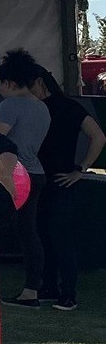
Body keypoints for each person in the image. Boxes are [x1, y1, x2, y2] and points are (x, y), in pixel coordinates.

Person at [31, 63, 105, 312]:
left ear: (40, 83)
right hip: (40, 178)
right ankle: (49, 287)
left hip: (61, 178)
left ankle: (68, 293)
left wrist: (81, 169)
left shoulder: (67, 107)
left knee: (60, 237)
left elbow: (99, 136)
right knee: (44, 235)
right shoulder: (36, 107)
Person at [0, 49, 50, 306]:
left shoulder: (10, 104)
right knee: (28, 233)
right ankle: (32, 289)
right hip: (36, 171)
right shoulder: (42, 107)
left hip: (12, 173)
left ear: (9, 82)